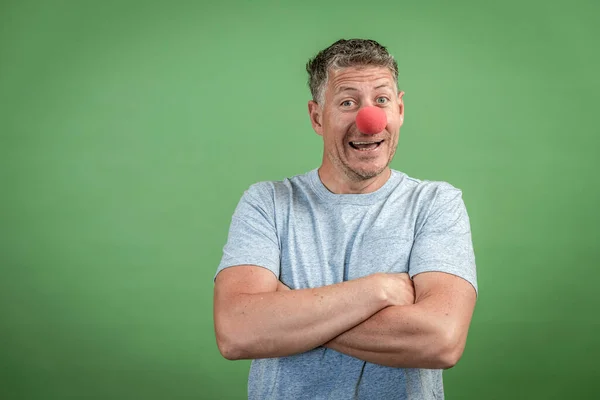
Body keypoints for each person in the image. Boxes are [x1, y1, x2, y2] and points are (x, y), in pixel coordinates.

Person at [213, 38, 478, 400]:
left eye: (381, 100)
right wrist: (378, 291)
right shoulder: (268, 203)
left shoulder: (435, 203)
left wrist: (288, 312)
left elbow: (441, 340)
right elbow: (237, 330)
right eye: (348, 102)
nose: (370, 121)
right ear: (317, 117)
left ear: (399, 109)